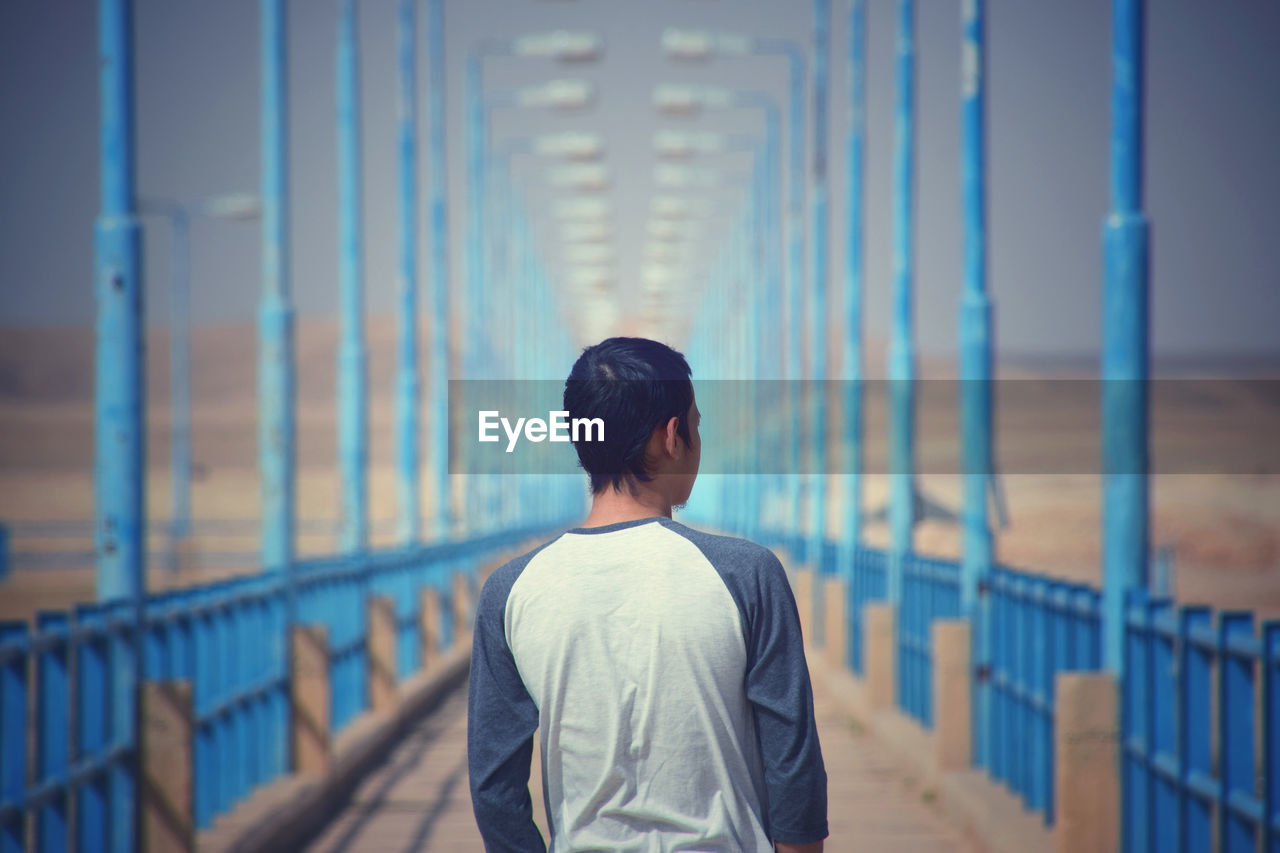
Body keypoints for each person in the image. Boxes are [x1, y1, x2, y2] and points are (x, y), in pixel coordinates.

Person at [468, 337, 827, 852]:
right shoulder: (747, 575)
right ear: (672, 436)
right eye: (696, 426)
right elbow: (793, 770)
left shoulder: (510, 591)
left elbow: (493, 788)